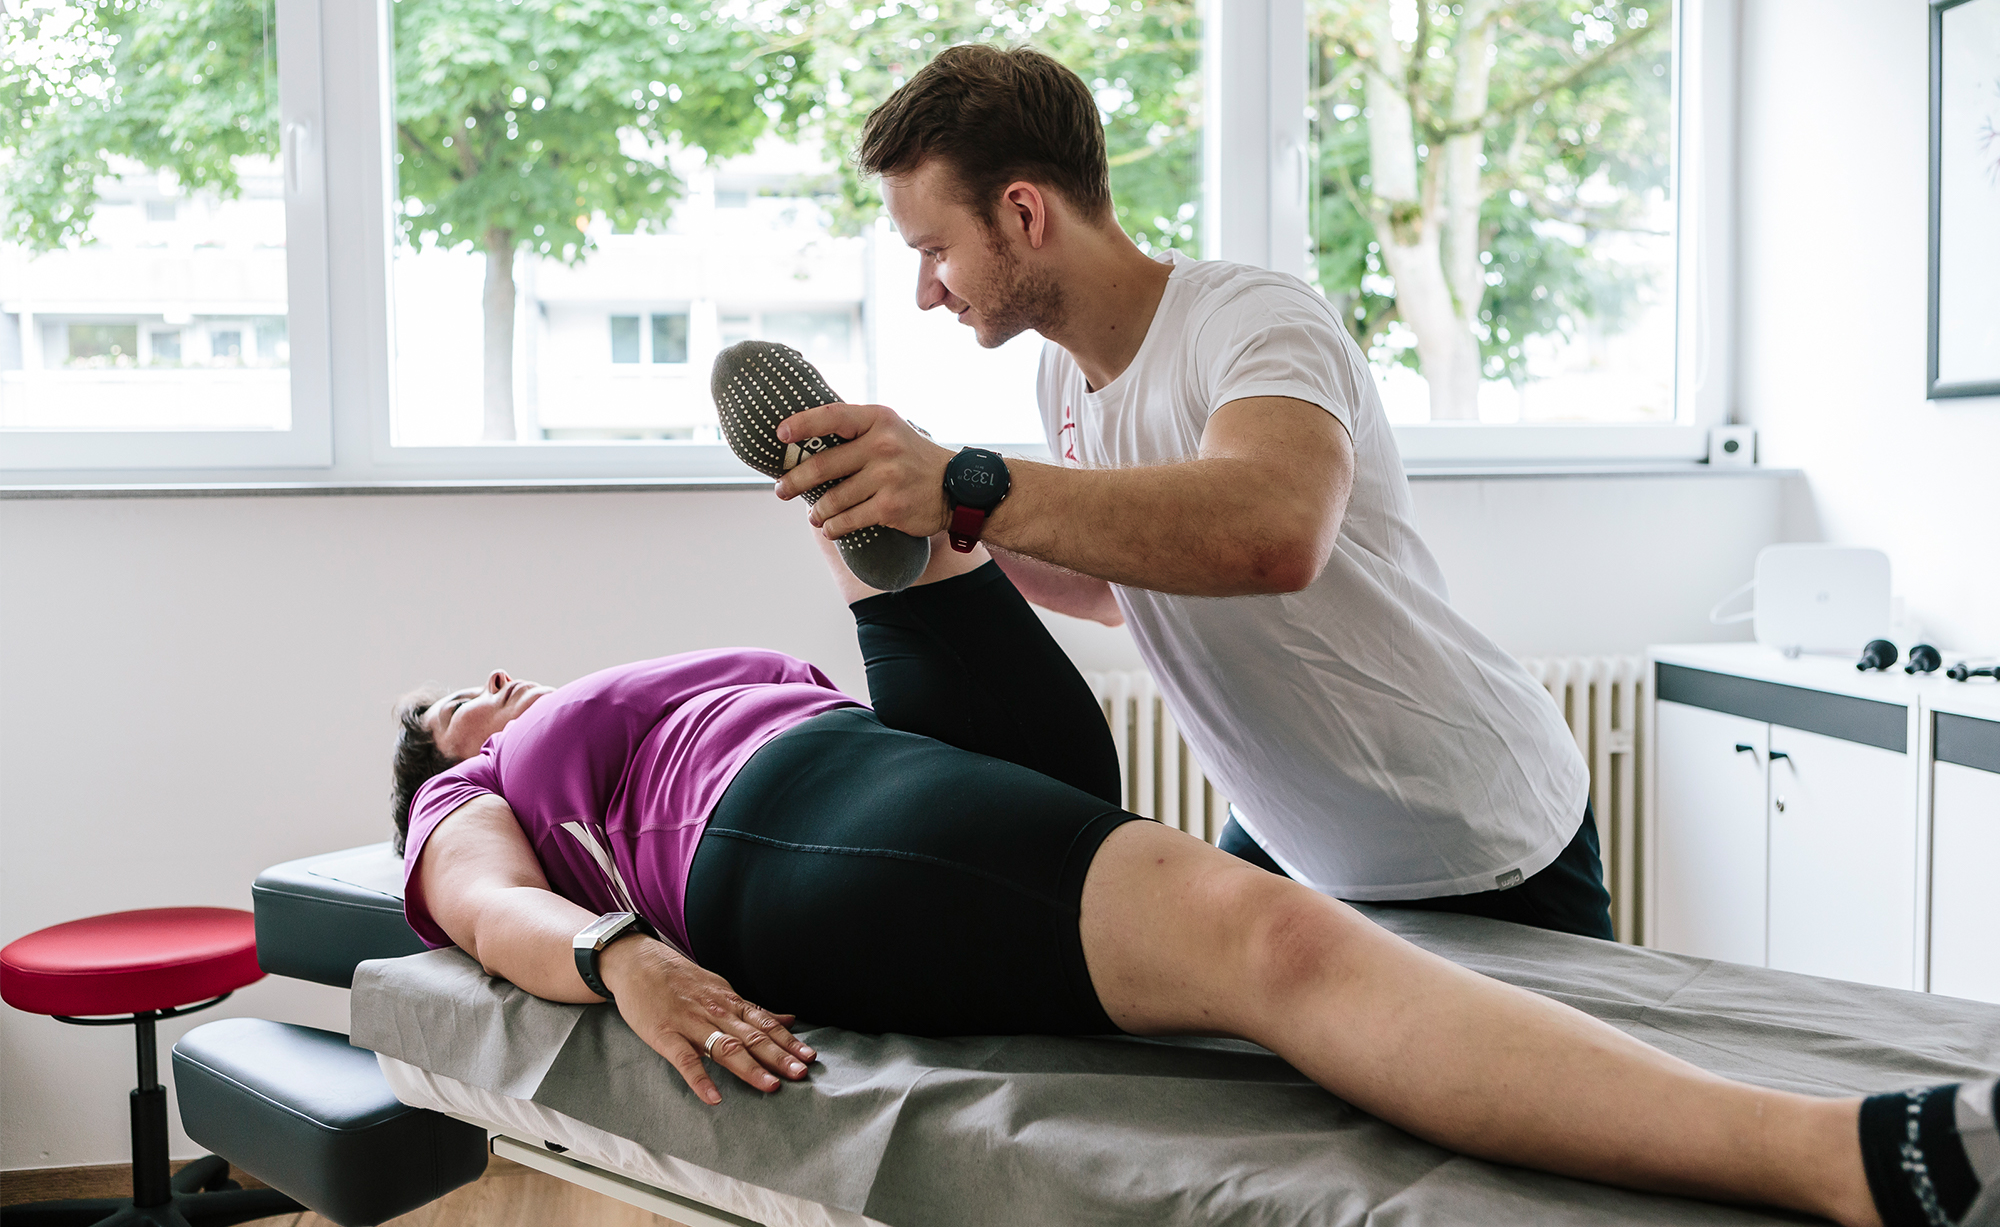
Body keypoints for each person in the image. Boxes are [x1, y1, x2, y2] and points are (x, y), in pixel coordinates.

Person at [393, 539, 1996, 1227]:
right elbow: (484, 911)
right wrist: (617, 960)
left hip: (869, 776)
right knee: (1269, 934)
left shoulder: (614, 693)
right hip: (768, 837)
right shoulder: (472, 796)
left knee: (1247, 927)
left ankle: (912, 544)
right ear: (433, 764)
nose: (489, 682)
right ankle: (1842, 1162)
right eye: (449, 697)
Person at [764, 43, 1613, 939]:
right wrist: (942, 522)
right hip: (1296, 842)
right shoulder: (1061, 379)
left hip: (1469, 834)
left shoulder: (1254, 320)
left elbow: (1274, 533)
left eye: (936, 250)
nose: (927, 292)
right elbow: (1110, 586)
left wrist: (964, 481)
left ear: (1021, 212)